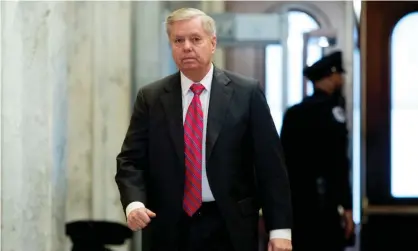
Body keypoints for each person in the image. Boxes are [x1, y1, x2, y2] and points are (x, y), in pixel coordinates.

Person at [115, 7, 292, 251]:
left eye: (195, 39)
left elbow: (271, 167)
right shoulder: (152, 98)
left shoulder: (246, 93)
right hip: (168, 227)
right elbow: (130, 161)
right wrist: (134, 203)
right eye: (178, 40)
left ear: (212, 42)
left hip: (229, 226)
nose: (187, 47)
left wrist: (280, 230)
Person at [280, 51, 355, 251]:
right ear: (330, 76)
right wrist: (347, 206)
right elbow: (339, 162)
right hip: (325, 206)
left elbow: (281, 163)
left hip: (297, 206)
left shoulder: (294, 113)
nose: (341, 79)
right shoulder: (333, 112)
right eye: (339, 75)